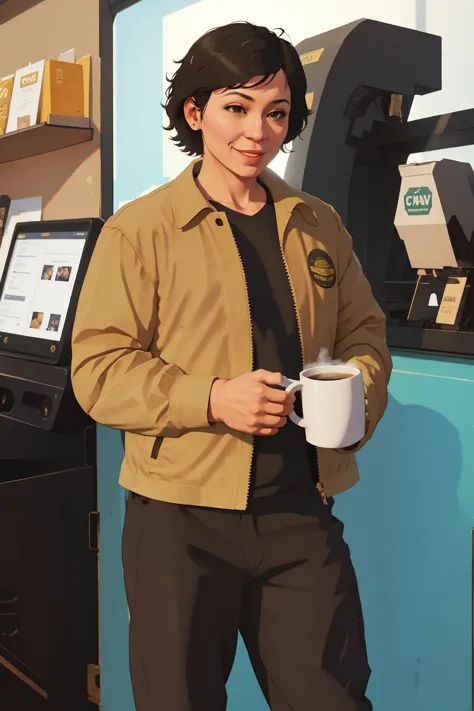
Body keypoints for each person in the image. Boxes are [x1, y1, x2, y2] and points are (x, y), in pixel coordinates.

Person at [71, 21, 392, 711]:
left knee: (333, 698)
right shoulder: (141, 229)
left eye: (276, 112)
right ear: (196, 111)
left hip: (300, 512)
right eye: (236, 107)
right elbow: (97, 368)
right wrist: (211, 398)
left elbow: (365, 331)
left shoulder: (318, 223)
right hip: (179, 522)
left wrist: (356, 393)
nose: (258, 130)